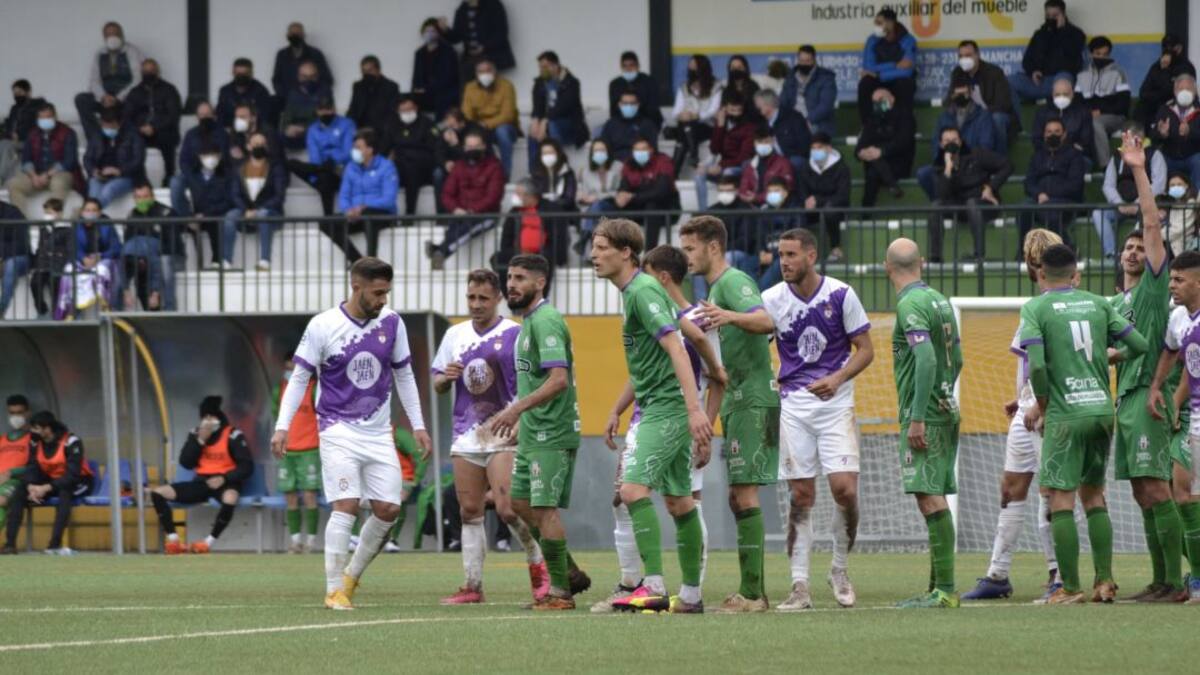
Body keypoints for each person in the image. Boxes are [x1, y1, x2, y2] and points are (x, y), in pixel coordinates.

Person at [717, 228, 872, 610]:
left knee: (845, 490)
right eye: (780, 254)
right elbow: (756, 330)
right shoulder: (770, 299)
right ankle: (799, 585)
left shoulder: (841, 294)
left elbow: (866, 350)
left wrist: (836, 379)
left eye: (791, 254)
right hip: (792, 406)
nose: (783, 261)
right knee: (801, 495)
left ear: (811, 256)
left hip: (836, 404)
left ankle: (839, 568)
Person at [273, 257, 433, 608]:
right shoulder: (323, 325)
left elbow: (404, 375)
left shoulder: (392, 323)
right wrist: (282, 426)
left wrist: (418, 425)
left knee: (389, 509)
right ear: (356, 286)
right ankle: (333, 589)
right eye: (377, 293)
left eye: (387, 293)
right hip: (337, 428)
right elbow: (300, 377)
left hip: (378, 433)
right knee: (345, 504)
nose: (383, 300)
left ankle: (351, 577)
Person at [585, 221, 713, 614]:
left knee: (631, 491)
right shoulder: (635, 293)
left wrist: (695, 410)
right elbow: (651, 360)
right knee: (678, 502)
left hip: (666, 409)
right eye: (593, 246)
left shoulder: (642, 291)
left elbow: (677, 346)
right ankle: (690, 596)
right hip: (660, 404)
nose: (594, 254)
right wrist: (616, 408)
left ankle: (652, 586)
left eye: (602, 246)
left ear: (626, 252)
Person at [1021, 243, 1148, 604]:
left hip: (1065, 414)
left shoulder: (1035, 307)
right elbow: (1138, 345)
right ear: (1076, 273)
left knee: (1061, 498)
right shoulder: (1099, 303)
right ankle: (1105, 581)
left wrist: (1043, 405)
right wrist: (1112, 358)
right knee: (1093, 494)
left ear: (1041, 274)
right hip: (1100, 412)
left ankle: (1070, 587)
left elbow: (1039, 366)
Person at [961, 229, 1072, 602]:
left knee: (1050, 491)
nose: (1034, 265)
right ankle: (998, 574)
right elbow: (1034, 363)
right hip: (1028, 406)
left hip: (1048, 408)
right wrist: (1021, 397)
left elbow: (1058, 364)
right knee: (1011, 488)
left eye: (1037, 258)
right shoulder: (1035, 306)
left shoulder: (1053, 308)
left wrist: (1041, 403)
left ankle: (1058, 574)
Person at [1105, 133, 1190, 602]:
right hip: (1127, 396)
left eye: (1143, 247)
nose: (1137, 251)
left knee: (1157, 488)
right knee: (1142, 491)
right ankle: (1161, 579)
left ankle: (1176, 583)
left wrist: (1137, 169)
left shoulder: (1156, 290)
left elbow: (1154, 224)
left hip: (1148, 397)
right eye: (1130, 247)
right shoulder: (1119, 302)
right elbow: (1123, 348)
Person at [433, 268, 549, 604]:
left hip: (504, 431)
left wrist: (521, 419)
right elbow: (439, 384)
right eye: (471, 297)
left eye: (484, 298)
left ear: (498, 297)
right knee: (469, 510)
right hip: (466, 434)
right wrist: (445, 379)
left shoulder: (515, 334)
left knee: (509, 507)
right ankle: (472, 586)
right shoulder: (455, 335)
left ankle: (539, 573)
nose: (477, 304)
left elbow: (532, 382)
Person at [687, 216, 782, 612]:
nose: (686, 256)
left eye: (691, 248)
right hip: (739, 398)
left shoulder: (734, 282)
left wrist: (728, 316)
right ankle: (751, 589)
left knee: (744, 493)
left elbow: (765, 320)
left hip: (754, 398)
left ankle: (753, 594)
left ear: (713, 247)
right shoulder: (715, 288)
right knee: (736, 495)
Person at [488, 253, 585, 609]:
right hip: (534, 430)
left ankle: (560, 593)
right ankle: (568, 569)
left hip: (552, 432)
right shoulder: (528, 323)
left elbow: (559, 380)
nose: (511, 284)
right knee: (518, 503)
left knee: (543, 510)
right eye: (509, 277)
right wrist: (522, 422)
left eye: (519, 278)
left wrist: (516, 410)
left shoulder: (546, 321)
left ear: (540, 282)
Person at [884, 237, 963, 608]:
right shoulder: (939, 300)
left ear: (887, 268)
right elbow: (957, 358)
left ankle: (945, 589)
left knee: (928, 496)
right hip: (946, 405)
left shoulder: (910, 304)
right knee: (934, 493)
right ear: (923, 263)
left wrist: (916, 416)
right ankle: (937, 586)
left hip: (925, 413)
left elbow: (927, 360)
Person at [1148, 251, 1200, 603]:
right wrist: (1171, 398)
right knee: (1182, 491)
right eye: (1171, 279)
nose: (1172, 286)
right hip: (1194, 417)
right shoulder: (1184, 319)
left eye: (1179, 280)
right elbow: (1188, 367)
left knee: (1185, 492)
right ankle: (1196, 579)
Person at [145, 396, 254, 554]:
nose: (208, 421)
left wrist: (225, 478)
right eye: (205, 417)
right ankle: (174, 540)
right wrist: (200, 440)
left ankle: (207, 542)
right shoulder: (196, 434)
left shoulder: (232, 434)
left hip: (226, 481)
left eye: (211, 417)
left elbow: (246, 466)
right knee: (157, 493)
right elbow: (186, 462)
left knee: (230, 497)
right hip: (202, 483)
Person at [0, 410, 95, 555]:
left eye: (36, 428)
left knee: (65, 493)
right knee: (20, 491)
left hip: (79, 482)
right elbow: (32, 467)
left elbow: (72, 475)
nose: (32, 431)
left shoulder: (71, 441)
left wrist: (46, 488)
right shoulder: (35, 441)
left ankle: (54, 545)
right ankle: (10, 545)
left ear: (47, 428)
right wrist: (31, 485)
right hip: (52, 481)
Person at [926, 127, 1013, 263]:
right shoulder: (939, 165)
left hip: (984, 204)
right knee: (935, 206)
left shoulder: (977, 154)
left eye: (954, 140)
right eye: (947, 141)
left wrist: (991, 187)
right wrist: (948, 168)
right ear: (941, 144)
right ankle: (935, 257)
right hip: (959, 207)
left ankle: (979, 255)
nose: (951, 143)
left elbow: (1007, 165)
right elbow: (941, 195)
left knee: (972, 203)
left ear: (960, 142)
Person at [427, 129, 504, 270]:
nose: (472, 150)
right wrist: (455, 209)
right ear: (464, 148)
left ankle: (442, 252)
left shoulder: (494, 167)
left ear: (484, 147)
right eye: (469, 147)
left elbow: (493, 196)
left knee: (466, 228)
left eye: (476, 146)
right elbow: (447, 193)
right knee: (455, 228)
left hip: (485, 215)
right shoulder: (459, 167)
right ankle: (439, 250)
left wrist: (472, 211)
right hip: (460, 214)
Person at [1095, 121, 1166, 259]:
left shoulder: (1154, 154)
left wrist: (1139, 203)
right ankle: (1111, 254)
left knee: (1150, 218)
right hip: (1120, 206)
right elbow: (1108, 185)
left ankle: (1143, 255)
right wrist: (1119, 203)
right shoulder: (1116, 157)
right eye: (1126, 137)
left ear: (1141, 136)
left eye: (1133, 136)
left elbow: (1159, 184)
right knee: (1099, 213)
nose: (1129, 140)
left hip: (1145, 206)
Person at [273, 353, 321, 554]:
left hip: (309, 449)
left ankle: (310, 542)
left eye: (293, 369)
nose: (290, 373)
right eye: (287, 369)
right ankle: (295, 542)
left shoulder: (314, 389)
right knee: (290, 496)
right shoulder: (279, 390)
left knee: (310, 495)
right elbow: (276, 415)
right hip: (287, 450)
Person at [328, 129, 399, 263]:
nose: (354, 150)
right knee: (327, 223)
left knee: (368, 214)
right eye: (354, 147)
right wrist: (348, 210)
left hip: (381, 214)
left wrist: (363, 207)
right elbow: (344, 195)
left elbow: (389, 199)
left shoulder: (387, 167)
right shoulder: (350, 167)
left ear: (370, 150)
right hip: (356, 215)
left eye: (358, 147)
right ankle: (357, 261)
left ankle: (371, 260)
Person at [1019, 118, 1087, 250]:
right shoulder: (1037, 156)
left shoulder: (1075, 156)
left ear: (1064, 134)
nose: (1052, 135)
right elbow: (1029, 182)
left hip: (1065, 201)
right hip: (1040, 200)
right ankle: (1024, 253)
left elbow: (1075, 185)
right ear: (1044, 134)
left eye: (1057, 131)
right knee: (1023, 208)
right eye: (1049, 132)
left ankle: (1067, 250)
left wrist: (1048, 195)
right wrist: (1039, 194)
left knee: (1051, 212)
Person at [225, 132, 288, 271]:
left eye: (262, 144)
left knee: (263, 215)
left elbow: (279, 196)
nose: (258, 146)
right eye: (255, 143)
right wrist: (245, 210)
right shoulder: (240, 169)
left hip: (270, 212)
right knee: (230, 217)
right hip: (245, 212)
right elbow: (235, 194)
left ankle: (265, 260)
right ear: (248, 146)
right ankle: (227, 261)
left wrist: (258, 211)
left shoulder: (276, 167)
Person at [74, 22, 146, 140]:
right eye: (108, 34)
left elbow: (137, 79)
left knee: (135, 102)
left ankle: (126, 139)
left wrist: (118, 97)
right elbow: (94, 80)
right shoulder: (100, 54)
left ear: (121, 35)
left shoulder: (132, 52)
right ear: (104, 37)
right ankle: (95, 139)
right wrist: (103, 96)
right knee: (81, 99)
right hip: (105, 98)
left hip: (124, 98)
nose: (112, 37)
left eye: (115, 34)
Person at [5, 103, 80, 215]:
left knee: (58, 183)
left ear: (55, 116)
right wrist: (34, 176)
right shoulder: (33, 133)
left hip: (60, 173)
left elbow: (69, 161)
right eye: (42, 117)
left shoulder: (68, 133)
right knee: (13, 184)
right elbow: (26, 159)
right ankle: (21, 221)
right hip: (36, 175)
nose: (45, 120)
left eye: (48, 117)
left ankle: (53, 221)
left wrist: (48, 175)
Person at [286, 97, 355, 217]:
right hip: (319, 170)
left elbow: (348, 152)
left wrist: (332, 159)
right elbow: (314, 157)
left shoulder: (347, 124)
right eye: (322, 110)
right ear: (317, 111)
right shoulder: (313, 129)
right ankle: (323, 173)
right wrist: (321, 167)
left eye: (328, 109)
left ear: (334, 109)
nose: (325, 113)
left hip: (340, 171)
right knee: (292, 163)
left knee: (326, 178)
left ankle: (327, 217)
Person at [119, 181, 183, 311]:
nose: (142, 200)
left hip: (169, 255)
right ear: (134, 199)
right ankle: (146, 308)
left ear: (153, 196)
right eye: (139, 197)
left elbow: (172, 243)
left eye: (145, 196)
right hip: (145, 256)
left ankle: (170, 308)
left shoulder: (166, 213)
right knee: (131, 264)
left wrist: (150, 256)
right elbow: (128, 243)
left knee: (163, 264)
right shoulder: (132, 215)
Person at [1009, 0, 1086, 104]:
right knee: (1010, 81)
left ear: (1063, 15)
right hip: (1039, 81)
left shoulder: (1076, 34)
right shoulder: (1039, 34)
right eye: (1048, 15)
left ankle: (1062, 117)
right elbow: (1027, 60)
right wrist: (1033, 71)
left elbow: (1073, 57)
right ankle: (1015, 118)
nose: (1051, 18)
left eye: (1055, 15)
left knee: (1063, 80)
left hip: (1061, 78)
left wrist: (1062, 31)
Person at [119, 59, 180, 186]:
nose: (148, 73)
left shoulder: (169, 90)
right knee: (130, 141)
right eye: (145, 71)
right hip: (140, 131)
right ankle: (139, 181)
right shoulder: (135, 92)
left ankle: (169, 178)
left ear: (158, 72)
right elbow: (127, 115)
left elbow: (173, 114)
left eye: (151, 70)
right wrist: (140, 128)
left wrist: (154, 127)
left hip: (162, 130)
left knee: (168, 138)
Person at [946, 40, 1015, 150]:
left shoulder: (994, 72)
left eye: (968, 55)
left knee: (998, 119)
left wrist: (982, 113)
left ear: (977, 55)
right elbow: (949, 102)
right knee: (947, 118)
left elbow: (1004, 104)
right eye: (961, 56)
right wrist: (957, 96)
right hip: (970, 115)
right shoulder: (957, 73)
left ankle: (1000, 159)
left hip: (992, 113)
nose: (964, 59)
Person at [794, 133, 851, 264]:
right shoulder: (806, 167)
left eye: (819, 147)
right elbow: (802, 190)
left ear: (828, 148)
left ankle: (836, 248)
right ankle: (800, 253)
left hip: (835, 207)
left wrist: (819, 201)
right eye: (813, 148)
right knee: (798, 213)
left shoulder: (842, 168)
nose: (816, 151)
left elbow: (842, 196)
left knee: (830, 213)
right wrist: (806, 201)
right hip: (812, 208)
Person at [1076, 37, 1131, 168]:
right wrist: (1089, 112)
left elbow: (1123, 104)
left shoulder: (1118, 72)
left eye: (1105, 54)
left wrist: (1100, 111)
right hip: (1088, 116)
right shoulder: (1082, 74)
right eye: (1098, 54)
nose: (1102, 58)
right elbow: (1077, 102)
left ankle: (1106, 165)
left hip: (1114, 117)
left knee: (1095, 123)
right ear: (1091, 54)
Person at [179, 144, 237, 270]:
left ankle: (216, 259)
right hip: (195, 215)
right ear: (200, 157)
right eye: (206, 155)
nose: (210, 159)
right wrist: (190, 217)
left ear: (220, 156)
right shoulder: (193, 175)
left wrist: (206, 214)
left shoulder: (227, 175)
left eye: (214, 155)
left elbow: (229, 200)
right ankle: (186, 264)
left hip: (215, 214)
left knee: (214, 222)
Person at [695, 93, 756, 211]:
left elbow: (743, 157)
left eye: (739, 110)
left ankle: (728, 208)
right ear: (725, 109)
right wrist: (720, 125)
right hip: (722, 165)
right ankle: (702, 212)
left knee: (728, 171)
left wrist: (721, 166)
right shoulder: (723, 123)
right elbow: (714, 149)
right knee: (699, 175)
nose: (736, 113)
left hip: (738, 168)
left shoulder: (749, 127)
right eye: (732, 110)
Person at [527, 51, 587, 173]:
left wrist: (545, 120)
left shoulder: (571, 82)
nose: (542, 70)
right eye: (540, 67)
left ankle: (559, 168)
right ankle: (534, 172)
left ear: (555, 65)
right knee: (532, 133)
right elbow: (537, 105)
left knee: (553, 124)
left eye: (545, 67)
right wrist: (535, 120)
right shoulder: (539, 83)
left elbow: (564, 107)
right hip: (548, 123)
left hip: (570, 126)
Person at [615, 138, 679, 250]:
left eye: (643, 149)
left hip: (666, 209)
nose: (640, 153)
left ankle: (649, 256)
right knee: (615, 209)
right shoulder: (629, 164)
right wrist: (621, 196)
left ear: (651, 150)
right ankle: (621, 255)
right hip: (639, 208)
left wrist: (634, 197)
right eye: (637, 150)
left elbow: (661, 192)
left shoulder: (663, 161)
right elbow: (624, 188)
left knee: (652, 207)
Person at [856, 87, 915, 206]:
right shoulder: (872, 119)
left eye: (881, 99)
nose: (878, 103)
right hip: (875, 164)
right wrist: (861, 152)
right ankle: (892, 185)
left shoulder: (905, 117)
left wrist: (881, 151)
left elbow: (904, 142)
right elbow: (861, 144)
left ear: (892, 99)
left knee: (873, 171)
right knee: (873, 168)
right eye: (875, 101)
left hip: (898, 163)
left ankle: (865, 211)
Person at [666, 55, 724, 176]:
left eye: (695, 67)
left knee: (683, 134)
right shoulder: (684, 87)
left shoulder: (716, 86)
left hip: (708, 126)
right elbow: (675, 111)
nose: (691, 70)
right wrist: (682, 115)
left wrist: (695, 116)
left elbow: (714, 110)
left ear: (703, 68)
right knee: (686, 127)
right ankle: (693, 155)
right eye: (690, 67)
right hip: (689, 126)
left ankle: (673, 173)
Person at [169, 102, 229, 217]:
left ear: (214, 115)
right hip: (193, 173)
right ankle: (187, 219)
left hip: (215, 173)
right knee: (175, 182)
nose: (204, 117)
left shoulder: (223, 134)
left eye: (207, 114)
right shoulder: (191, 134)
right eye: (201, 114)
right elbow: (183, 160)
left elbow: (225, 160)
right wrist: (192, 176)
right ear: (197, 116)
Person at [858, 8, 916, 126]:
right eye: (876, 23)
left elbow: (907, 71)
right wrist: (894, 64)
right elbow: (869, 67)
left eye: (879, 23)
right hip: (879, 79)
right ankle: (867, 125)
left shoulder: (908, 40)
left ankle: (905, 126)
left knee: (905, 84)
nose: (876, 26)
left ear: (891, 23)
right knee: (865, 83)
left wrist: (879, 74)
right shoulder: (872, 40)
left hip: (895, 79)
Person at [461, 60, 519, 177]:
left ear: (494, 71)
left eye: (488, 70)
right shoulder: (470, 87)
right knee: (471, 134)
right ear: (476, 74)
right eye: (481, 72)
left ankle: (504, 174)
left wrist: (486, 124)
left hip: (505, 126)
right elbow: (466, 113)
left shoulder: (506, 86)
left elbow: (508, 115)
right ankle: (479, 174)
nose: (484, 74)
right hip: (480, 128)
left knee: (502, 132)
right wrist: (478, 126)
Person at [384, 96, 439, 216]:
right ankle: (385, 212)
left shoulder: (427, 123)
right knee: (386, 170)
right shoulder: (392, 124)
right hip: (400, 164)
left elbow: (433, 148)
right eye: (403, 111)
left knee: (411, 168)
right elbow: (385, 146)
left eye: (409, 109)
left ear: (416, 108)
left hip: (422, 165)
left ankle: (410, 212)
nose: (407, 113)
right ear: (398, 111)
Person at [65, 198, 121, 315]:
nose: (90, 213)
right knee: (69, 270)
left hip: (103, 259)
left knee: (102, 270)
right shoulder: (76, 225)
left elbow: (116, 247)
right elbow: (72, 247)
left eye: (94, 210)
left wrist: (100, 256)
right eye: (87, 210)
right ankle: (72, 313)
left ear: (99, 213)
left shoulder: (107, 225)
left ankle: (108, 310)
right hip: (83, 260)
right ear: (82, 212)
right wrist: (83, 258)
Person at [84, 108, 146, 207]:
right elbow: (88, 158)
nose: (108, 128)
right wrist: (94, 171)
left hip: (127, 177)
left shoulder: (133, 136)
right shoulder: (96, 136)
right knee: (93, 191)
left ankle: (89, 215)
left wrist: (119, 171)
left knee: (109, 189)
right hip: (101, 176)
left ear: (120, 123)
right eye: (105, 125)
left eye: (111, 125)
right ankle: (93, 217)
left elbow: (138, 161)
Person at [444, 0, 515, 84]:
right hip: (470, 58)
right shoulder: (462, 9)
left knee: (488, 84)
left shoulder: (493, 5)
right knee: (465, 83)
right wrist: (445, 30)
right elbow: (457, 37)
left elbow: (501, 33)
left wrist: (484, 47)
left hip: (491, 55)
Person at [1150, 74, 1200, 187]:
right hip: (1169, 155)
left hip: (1193, 155)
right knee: (1158, 159)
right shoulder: (1165, 109)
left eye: (1188, 89)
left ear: (1195, 91)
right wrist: (1162, 134)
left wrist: (1190, 132)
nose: (1184, 92)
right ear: (1175, 91)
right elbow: (1152, 135)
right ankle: (1160, 198)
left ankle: (1197, 200)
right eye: (1181, 89)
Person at [530, 140, 575, 263]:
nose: (547, 156)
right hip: (542, 210)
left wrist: (552, 202)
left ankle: (558, 257)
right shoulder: (536, 173)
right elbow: (535, 196)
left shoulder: (567, 173)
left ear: (558, 154)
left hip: (562, 210)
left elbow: (569, 198)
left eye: (550, 152)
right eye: (544, 153)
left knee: (555, 212)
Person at [1138, 34, 1197, 129]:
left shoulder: (1186, 67)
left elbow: (1171, 91)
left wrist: (1165, 70)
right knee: (1141, 108)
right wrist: (1159, 95)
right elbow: (1143, 92)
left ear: (1179, 48)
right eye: (1165, 47)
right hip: (1155, 105)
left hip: (1176, 106)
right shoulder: (1156, 67)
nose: (1167, 50)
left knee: (1164, 109)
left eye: (1170, 47)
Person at [1031, 76, 1094, 165]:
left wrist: (1064, 149)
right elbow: (1037, 139)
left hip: (1077, 156)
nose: (1061, 98)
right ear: (1052, 94)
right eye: (1058, 94)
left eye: (1065, 94)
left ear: (1072, 94)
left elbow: (1085, 141)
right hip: (1048, 155)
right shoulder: (1042, 113)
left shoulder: (1083, 113)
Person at [575, 139, 623, 254]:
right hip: (593, 210)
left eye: (602, 150)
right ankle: (589, 241)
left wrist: (596, 197)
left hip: (612, 206)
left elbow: (617, 192)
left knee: (597, 205)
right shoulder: (585, 172)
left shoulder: (618, 167)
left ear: (608, 152)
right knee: (595, 209)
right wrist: (582, 197)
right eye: (596, 151)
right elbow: (580, 196)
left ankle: (586, 238)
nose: (599, 153)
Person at [780, 45, 837, 138]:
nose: (804, 64)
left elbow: (825, 106)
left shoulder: (826, 78)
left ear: (814, 60)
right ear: (797, 60)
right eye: (801, 61)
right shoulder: (790, 77)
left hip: (816, 123)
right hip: (792, 121)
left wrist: (806, 120)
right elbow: (783, 102)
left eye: (808, 61)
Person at [29, 198, 73, 318]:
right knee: (35, 283)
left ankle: (57, 314)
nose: (47, 216)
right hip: (42, 264)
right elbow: (39, 247)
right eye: (46, 213)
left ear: (59, 213)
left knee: (55, 283)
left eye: (50, 212)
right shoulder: (43, 229)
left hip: (58, 264)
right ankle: (42, 311)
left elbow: (69, 249)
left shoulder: (67, 229)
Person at [272, 22, 333, 105]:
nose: (295, 36)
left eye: (298, 33)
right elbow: (276, 80)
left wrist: (317, 96)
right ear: (287, 35)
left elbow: (326, 79)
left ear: (303, 35)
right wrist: (286, 97)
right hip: (287, 103)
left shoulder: (316, 54)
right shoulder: (282, 55)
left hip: (314, 103)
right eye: (292, 33)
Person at [412, 18, 461, 119]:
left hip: (444, 91)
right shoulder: (419, 53)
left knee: (442, 99)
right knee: (408, 99)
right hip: (425, 91)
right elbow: (416, 76)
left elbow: (448, 77)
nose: (429, 33)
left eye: (432, 31)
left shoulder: (448, 51)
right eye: (426, 31)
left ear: (439, 33)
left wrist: (426, 89)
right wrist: (416, 89)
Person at [753, 88, 810, 173]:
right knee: (750, 164)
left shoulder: (793, 117)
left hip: (793, 158)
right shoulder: (762, 123)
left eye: (759, 105)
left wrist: (784, 159)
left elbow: (804, 145)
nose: (756, 107)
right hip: (773, 160)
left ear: (768, 104)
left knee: (796, 162)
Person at [280, 62, 333, 151]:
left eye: (312, 77)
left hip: (316, 133)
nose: (308, 80)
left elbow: (326, 118)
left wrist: (304, 128)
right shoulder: (293, 94)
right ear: (299, 77)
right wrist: (287, 130)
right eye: (304, 77)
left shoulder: (324, 91)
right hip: (297, 136)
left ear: (317, 76)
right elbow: (286, 119)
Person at [0, 79, 46, 184]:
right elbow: (9, 125)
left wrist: (20, 135)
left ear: (28, 92)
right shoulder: (14, 108)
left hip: (28, 141)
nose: (17, 95)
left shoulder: (37, 107)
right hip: (12, 140)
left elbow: (38, 128)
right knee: (3, 144)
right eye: (15, 93)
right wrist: (9, 133)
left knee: (6, 146)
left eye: (20, 92)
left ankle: (2, 178)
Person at [598, 88, 659, 163]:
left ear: (638, 104)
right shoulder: (610, 124)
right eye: (625, 103)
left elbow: (653, 150)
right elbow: (602, 148)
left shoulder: (648, 124)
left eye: (632, 103)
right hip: (615, 164)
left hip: (640, 164)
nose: (629, 106)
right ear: (619, 104)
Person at [738, 126, 794, 208]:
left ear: (773, 142)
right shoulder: (750, 164)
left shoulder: (783, 163)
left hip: (776, 205)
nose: (763, 145)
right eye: (760, 142)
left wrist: (756, 198)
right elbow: (743, 188)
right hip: (752, 206)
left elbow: (786, 189)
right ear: (754, 143)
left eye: (766, 142)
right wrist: (746, 196)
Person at [0, 395, 32, 529]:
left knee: (0, 500)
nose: (15, 417)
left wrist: (10, 473)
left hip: (17, 481)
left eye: (19, 413)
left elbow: (36, 466)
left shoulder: (33, 439)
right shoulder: (3, 439)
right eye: (12, 413)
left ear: (27, 413)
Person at [216, 58, 276, 130]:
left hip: (255, 132)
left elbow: (265, 118)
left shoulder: (261, 91)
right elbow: (220, 116)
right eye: (238, 74)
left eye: (244, 74)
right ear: (233, 73)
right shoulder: (225, 91)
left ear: (251, 73)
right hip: (230, 132)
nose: (241, 77)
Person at [348, 55, 401, 133]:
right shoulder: (358, 86)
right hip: (361, 128)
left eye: (370, 70)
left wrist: (376, 129)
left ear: (378, 70)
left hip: (382, 128)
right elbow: (353, 109)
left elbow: (392, 112)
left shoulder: (391, 86)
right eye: (363, 71)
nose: (366, 73)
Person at [609, 52, 661, 129]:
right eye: (624, 66)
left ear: (638, 66)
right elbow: (613, 111)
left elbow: (652, 108)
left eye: (631, 65)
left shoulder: (649, 82)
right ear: (621, 67)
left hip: (648, 122)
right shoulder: (615, 84)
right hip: (622, 124)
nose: (628, 69)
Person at [0, 200, 30, 318]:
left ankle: (1, 309)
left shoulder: (12, 212)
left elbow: (22, 244)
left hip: (17, 257)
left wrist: (2, 255)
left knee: (11, 265)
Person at [1163, 173, 1199, 254]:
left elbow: (1178, 230)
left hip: (1181, 244)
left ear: (1186, 186)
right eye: (1172, 185)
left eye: (1179, 185)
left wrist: (1157, 235)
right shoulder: (1168, 204)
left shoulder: (1190, 203)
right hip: (1168, 241)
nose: (1175, 187)